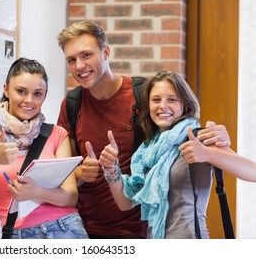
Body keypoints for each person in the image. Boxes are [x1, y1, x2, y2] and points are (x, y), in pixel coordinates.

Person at [56, 21, 231, 239]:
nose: (79, 66)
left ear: (106, 52)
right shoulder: (71, 105)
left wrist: (217, 138)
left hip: (144, 230)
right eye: (71, 60)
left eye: (86, 55)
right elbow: (62, 172)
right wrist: (81, 172)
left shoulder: (142, 94)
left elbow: (179, 129)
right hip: (86, 230)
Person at [99, 70, 232, 238]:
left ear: (185, 104)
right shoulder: (148, 151)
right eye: (156, 100)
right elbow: (126, 203)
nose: (162, 106)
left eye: (172, 99)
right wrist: (111, 168)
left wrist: (208, 154)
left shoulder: (199, 137)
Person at [0, 57, 88, 239]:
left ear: (45, 95)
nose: (29, 100)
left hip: (66, 228)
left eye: (37, 94)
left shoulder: (56, 134)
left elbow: (71, 197)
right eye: (21, 91)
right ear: (6, 89)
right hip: (20, 234)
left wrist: (37, 192)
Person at [179, 126, 256, 182]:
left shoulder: (199, 136)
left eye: (172, 102)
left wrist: (208, 153)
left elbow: (253, 172)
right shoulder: (166, 138)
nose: (166, 106)